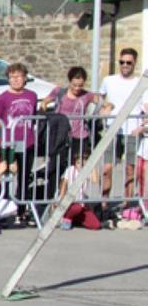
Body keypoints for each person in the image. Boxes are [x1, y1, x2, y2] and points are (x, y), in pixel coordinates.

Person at [0, 62, 39, 224]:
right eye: (12, 77)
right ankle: (4, 210)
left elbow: (34, 115)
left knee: (24, 177)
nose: (15, 80)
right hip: (9, 143)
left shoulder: (32, 96)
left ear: (25, 78)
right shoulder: (2, 98)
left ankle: (21, 209)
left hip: (27, 142)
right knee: (5, 177)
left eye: (18, 77)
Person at [99, 48, 144, 202]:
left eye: (128, 62)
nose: (125, 65)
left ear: (134, 63)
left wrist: (142, 127)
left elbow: (146, 107)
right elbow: (100, 99)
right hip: (112, 129)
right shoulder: (108, 80)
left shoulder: (141, 83)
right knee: (107, 168)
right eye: (122, 62)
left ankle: (127, 204)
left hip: (131, 130)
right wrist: (103, 108)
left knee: (130, 169)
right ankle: (103, 202)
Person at [55, 148, 103, 230]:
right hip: (70, 202)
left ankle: (75, 219)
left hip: (81, 203)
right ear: (75, 162)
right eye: (78, 163)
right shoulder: (70, 170)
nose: (80, 165)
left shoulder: (86, 171)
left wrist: (92, 165)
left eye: (83, 163)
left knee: (96, 225)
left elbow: (95, 180)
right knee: (76, 208)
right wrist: (61, 199)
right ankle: (67, 218)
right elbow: (64, 185)